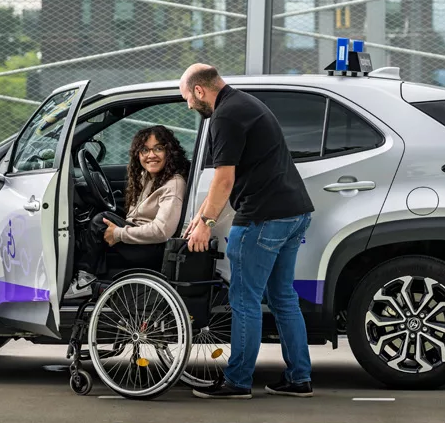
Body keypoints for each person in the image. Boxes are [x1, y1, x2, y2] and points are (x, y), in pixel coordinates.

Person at [180, 64, 315, 400]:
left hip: (262, 219)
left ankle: (237, 381)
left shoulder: (225, 116)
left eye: (186, 98)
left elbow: (224, 180)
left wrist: (206, 225)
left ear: (199, 90)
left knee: (244, 300)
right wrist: (199, 218)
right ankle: (299, 378)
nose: (189, 107)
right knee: (283, 298)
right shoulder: (246, 104)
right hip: (294, 212)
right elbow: (229, 184)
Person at [65, 125, 189, 298]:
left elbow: (162, 231)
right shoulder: (148, 177)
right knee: (100, 221)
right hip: (142, 241)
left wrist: (119, 234)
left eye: (158, 149)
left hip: (152, 248)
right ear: (137, 154)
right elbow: (135, 216)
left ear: (170, 152)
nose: (151, 155)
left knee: (101, 221)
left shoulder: (173, 184)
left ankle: (84, 280)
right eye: (144, 150)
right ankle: (89, 277)